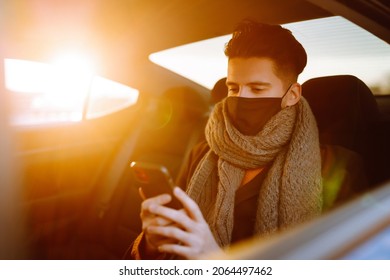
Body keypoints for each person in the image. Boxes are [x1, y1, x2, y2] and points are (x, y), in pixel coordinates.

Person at [126, 20, 362, 260]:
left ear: (291, 95)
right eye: (234, 88)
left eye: (257, 89)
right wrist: (152, 244)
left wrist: (215, 261)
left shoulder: (335, 165)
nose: (241, 98)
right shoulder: (201, 154)